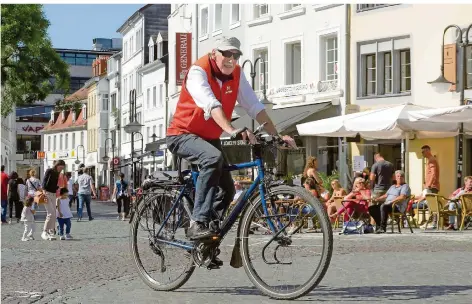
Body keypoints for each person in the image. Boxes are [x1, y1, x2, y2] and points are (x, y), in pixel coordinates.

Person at [166, 36, 296, 240]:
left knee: (227, 190)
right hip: (182, 135)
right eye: (226, 53)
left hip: (209, 138)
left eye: (235, 55)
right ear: (213, 54)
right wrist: (231, 130)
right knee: (212, 159)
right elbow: (211, 104)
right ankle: (197, 222)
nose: (231, 58)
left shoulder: (236, 74)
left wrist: (276, 135)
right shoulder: (198, 71)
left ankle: (208, 238)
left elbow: (254, 106)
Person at [42, 159, 66, 240]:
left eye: (62, 168)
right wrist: (44, 191)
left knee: (54, 214)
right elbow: (44, 181)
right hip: (47, 193)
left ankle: (50, 232)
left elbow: (54, 185)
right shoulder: (49, 171)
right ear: (57, 165)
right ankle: (44, 232)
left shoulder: (57, 173)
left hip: (53, 194)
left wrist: (58, 187)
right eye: (60, 167)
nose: (61, 169)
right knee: (50, 213)